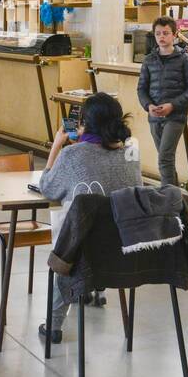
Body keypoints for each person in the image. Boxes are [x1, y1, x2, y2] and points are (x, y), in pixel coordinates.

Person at [37, 92, 143, 344]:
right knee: (101, 224)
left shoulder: (73, 155)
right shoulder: (132, 156)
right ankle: (97, 290)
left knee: (73, 239)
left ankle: (54, 324)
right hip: (124, 249)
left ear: (85, 123)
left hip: (80, 252)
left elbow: (47, 187)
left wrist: (56, 146)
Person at [137, 15, 188, 188]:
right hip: (154, 116)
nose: (161, 37)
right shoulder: (149, 60)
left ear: (175, 35)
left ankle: (167, 202)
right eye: (158, 34)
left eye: (165, 33)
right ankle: (176, 201)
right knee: (166, 160)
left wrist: (173, 105)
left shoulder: (185, 60)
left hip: (175, 116)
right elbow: (141, 89)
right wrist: (148, 105)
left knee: (164, 158)